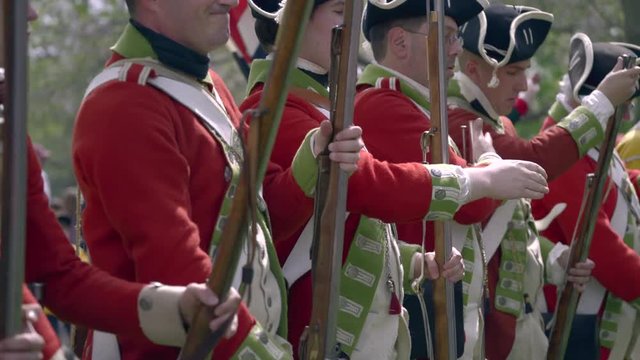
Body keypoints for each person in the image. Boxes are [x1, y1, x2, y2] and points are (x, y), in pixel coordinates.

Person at [243, 0, 552, 358]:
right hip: (331, 332)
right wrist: (479, 180)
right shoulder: (278, 111)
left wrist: (411, 260)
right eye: (340, 14)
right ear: (293, 22)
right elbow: (377, 187)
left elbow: (356, 226)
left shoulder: (318, 106)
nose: (352, 27)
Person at [71, 0, 365, 358]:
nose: (231, 1)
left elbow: (255, 227)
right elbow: (179, 272)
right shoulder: (125, 101)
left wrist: (315, 154)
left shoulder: (203, 85)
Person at [354, 2, 598, 359]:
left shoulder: (421, 107)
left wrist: (554, 259)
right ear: (400, 42)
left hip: (446, 309)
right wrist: (488, 165)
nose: (455, 47)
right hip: (413, 313)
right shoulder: (384, 105)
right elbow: (473, 205)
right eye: (447, 36)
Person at [0, 3, 242, 359]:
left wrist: (177, 307)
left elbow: (56, 275)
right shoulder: (128, 99)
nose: (31, 14)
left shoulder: (8, 132)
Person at [532, 34, 640, 359]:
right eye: (621, 104)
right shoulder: (567, 157)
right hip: (575, 325)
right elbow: (604, 254)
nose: (627, 117)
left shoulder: (587, 145)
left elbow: (623, 184)